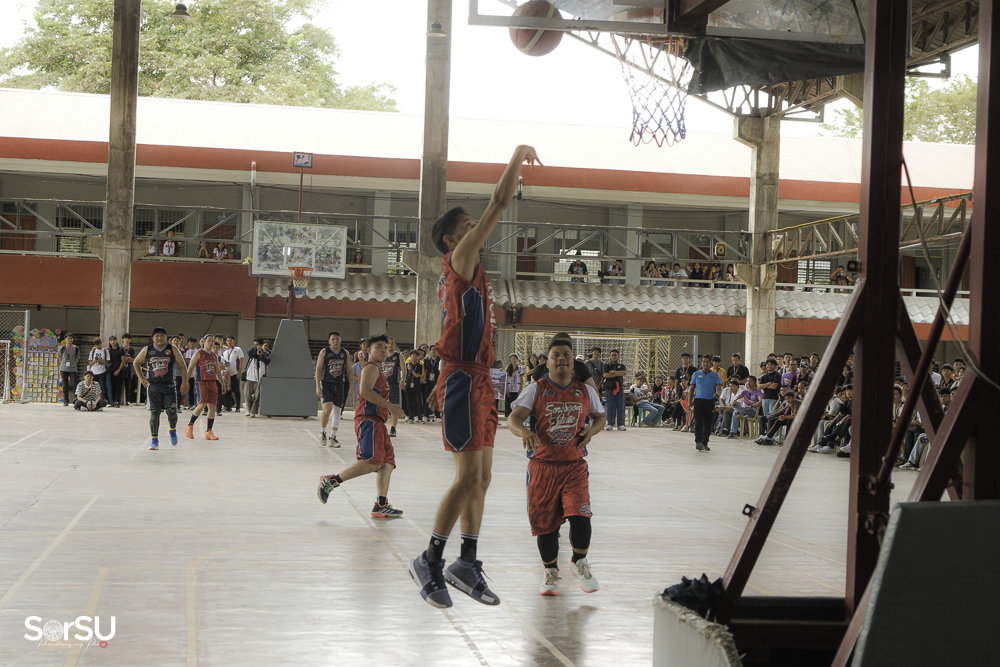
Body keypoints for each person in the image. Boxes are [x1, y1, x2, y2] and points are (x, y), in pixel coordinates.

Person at [409, 145, 540, 610]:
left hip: (477, 378)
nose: (474, 229)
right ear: (452, 239)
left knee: (482, 478)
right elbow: (499, 203)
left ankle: (466, 562)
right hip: (464, 378)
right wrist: (517, 157)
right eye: (467, 225)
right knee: (467, 477)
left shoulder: (476, 271)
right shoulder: (460, 259)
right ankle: (429, 559)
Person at [508, 337, 607, 596]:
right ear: (548, 362)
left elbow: (600, 417)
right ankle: (550, 572)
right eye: (556, 355)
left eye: (566, 355)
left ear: (573, 363)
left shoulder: (586, 392)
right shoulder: (536, 389)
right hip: (542, 466)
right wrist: (524, 431)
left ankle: (579, 561)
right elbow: (513, 418)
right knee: (546, 525)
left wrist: (591, 431)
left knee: (580, 515)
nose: (561, 358)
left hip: (574, 465)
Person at [317, 335, 407, 517]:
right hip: (369, 420)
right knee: (371, 462)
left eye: (385, 347)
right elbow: (365, 391)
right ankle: (331, 481)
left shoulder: (378, 370)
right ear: (368, 351)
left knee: (388, 462)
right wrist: (390, 406)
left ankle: (381, 504)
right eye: (378, 346)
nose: (383, 350)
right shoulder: (371, 368)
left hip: (378, 422)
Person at [133, 327, 188, 450]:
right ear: (153, 338)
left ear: (166, 337)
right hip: (154, 386)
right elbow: (136, 362)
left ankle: (172, 430)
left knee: (172, 412)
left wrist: (184, 383)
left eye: (162, 335)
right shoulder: (147, 350)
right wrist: (141, 377)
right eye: (157, 336)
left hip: (169, 385)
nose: (159, 338)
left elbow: (182, 366)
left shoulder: (172, 349)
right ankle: (154, 440)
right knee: (154, 413)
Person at [315, 331, 354, 447]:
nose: (335, 341)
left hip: (339, 384)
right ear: (329, 341)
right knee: (327, 409)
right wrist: (318, 386)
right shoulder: (324, 352)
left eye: (337, 339)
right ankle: (322, 432)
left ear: (340, 340)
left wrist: (352, 388)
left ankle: (333, 437)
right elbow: (318, 369)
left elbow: (349, 371)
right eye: (333, 339)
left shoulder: (345, 353)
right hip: (326, 383)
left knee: (337, 411)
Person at [184, 334, 222, 440]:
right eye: (209, 340)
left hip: (213, 382)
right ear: (203, 342)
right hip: (202, 382)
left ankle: (209, 431)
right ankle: (189, 425)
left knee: (212, 406)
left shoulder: (214, 356)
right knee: (202, 404)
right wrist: (186, 382)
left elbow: (218, 371)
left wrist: (223, 384)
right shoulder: (198, 353)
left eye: (212, 341)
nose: (211, 343)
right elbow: (190, 368)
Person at [689, 354, 722, 452]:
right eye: (704, 361)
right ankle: (698, 441)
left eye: (707, 362)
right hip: (698, 401)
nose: (705, 363)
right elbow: (692, 388)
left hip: (709, 401)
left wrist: (718, 393)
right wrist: (689, 401)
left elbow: (719, 387)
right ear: (701, 363)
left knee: (708, 422)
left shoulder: (715, 375)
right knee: (698, 422)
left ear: (710, 363)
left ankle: (705, 442)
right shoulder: (696, 374)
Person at [381, 338, 403, 437]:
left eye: (392, 343)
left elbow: (403, 369)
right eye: (388, 343)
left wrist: (403, 379)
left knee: (394, 406)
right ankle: (381, 426)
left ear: (395, 345)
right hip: (382, 384)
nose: (390, 345)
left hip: (394, 384)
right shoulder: (382, 355)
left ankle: (393, 428)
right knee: (381, 406)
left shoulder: (398, 356)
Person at [601, 350, 628, 431]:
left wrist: (613, 372)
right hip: (609, 388)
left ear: (618, 356)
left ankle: (621, 424)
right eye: (612, 355)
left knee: (620, 406)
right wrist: (617, 374)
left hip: (619, 388)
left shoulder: (621, 365)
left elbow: (624, 373)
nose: (614, 356)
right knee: (610, 406)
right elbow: (606, 375)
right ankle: (610, 424)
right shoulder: (606, 365)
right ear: (610, 356)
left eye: (615, 355)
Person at [244, 337, 270, 417]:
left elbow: (267, 361)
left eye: (257, 345)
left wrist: (261, 355)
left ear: (261, 345)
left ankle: (253, 411)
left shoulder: (266, 353)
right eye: (254, 345)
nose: (255, 346)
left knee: (257, 396)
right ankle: (248, 410)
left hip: (259, 378)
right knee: (247, 394)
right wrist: (255, 348)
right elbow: (248, 352)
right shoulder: (252, 352)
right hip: (250, 376)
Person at [88, 337, 112, 403]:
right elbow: (90, 363)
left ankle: (104, 400)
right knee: (93, 387)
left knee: (102, 386)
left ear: (101, 343)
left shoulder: (105, 351)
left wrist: (102, 360)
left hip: (102, 371)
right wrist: (94, 361)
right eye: (96, 344)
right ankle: (93, 399)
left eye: (98, 344)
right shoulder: (92, 352)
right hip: (93, 371)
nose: (97, 346)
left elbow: (108, 362)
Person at [58, 334, 80, 406]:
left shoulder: (76, 348)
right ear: (65, 339)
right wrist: (64, 364)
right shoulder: (62, 348)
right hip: (64, 369)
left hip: (73, 369)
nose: (70, 340)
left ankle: (76, 399)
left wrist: (72, 364)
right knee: (65, 385)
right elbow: (60, 358)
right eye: (68, 338)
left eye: (71, 338)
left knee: (75, 384)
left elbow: (77, 359)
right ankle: (66, 400)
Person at [107, 335, 125, 407]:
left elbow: (123, 361)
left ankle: (117, 401)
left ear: (116, 341)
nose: (113, 342)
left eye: (114, 340)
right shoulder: (109, 350)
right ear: (109, 342)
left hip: (120, 370)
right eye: (111, 340)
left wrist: (119, 370)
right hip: (112, 370)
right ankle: (112, 401)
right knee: (112, 386)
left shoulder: (120, 349)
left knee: (118, 386)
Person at [504, 354, 524, 419]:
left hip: (517, 388)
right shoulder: (508, 368)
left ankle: (515, 416)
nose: (513, 360)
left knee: (516, 402)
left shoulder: (520, 368)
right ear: (510, 359)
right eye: (512, 358)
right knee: (509, 402)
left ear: (517, 359)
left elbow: (521, 379)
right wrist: (506, 388)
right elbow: (506, 378)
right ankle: (508, 415)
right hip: (509, 387)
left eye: (514, 358)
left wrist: (520, 388)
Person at [120, 334, 137, 406]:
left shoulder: (132, 349)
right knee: (119, 385)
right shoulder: (120, 348)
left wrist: (124, 359)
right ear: (123, 339)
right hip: (121, 369)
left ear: (130, 340)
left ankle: (128, 401)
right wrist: (127, 359)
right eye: (125, 338)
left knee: (128, 386)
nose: (127, 340)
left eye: (128, 338)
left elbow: (133, 359)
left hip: (129, 370)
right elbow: (119, 359)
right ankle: (117, 401)